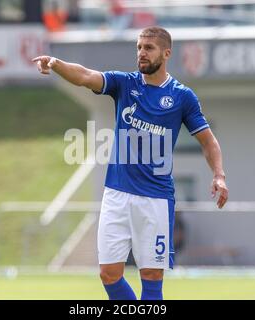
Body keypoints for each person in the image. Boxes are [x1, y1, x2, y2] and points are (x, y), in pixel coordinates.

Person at [32, 26, 228, 300]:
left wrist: (218, 175)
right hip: (117, 194)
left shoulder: (182, 96)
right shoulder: (125, 84)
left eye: (149, 48)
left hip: (156, 200)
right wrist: (55, 63)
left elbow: (209, 142)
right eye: (138, 48)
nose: (141, 53)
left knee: (151, 278)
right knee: (109, 274)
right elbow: (86, 76)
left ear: (166, 53)